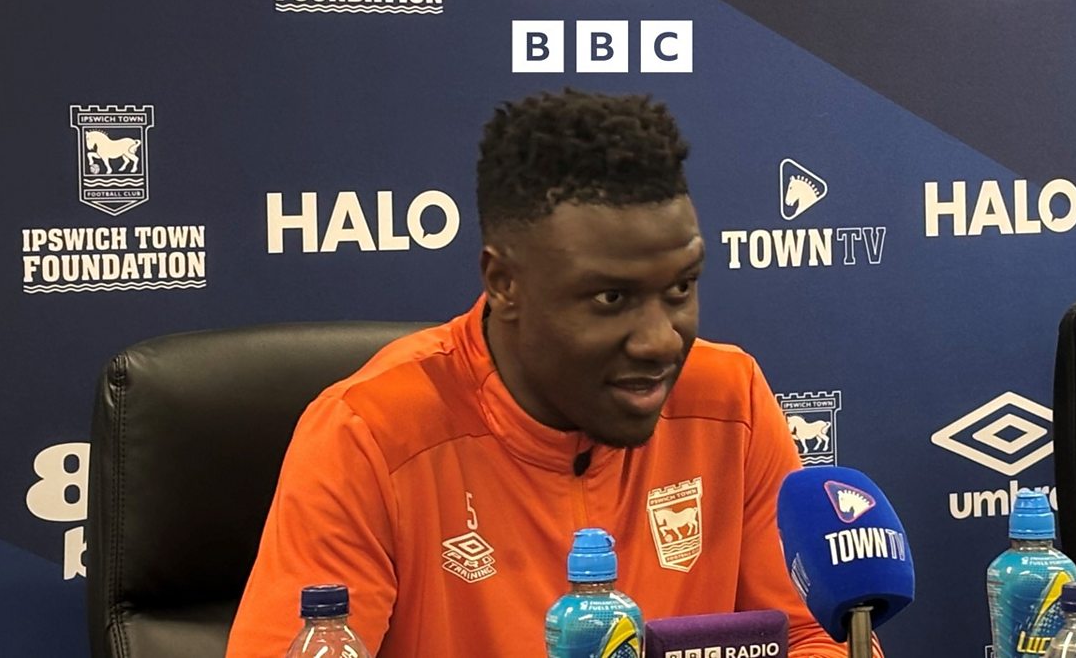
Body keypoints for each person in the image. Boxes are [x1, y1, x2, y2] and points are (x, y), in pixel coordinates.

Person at [226, 89, 882, 657]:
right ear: (504, 282)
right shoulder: (368, 435)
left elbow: (812, 635)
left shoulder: (729, 398)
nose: (660, 340)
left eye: (680, 287)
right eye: (611, 298)